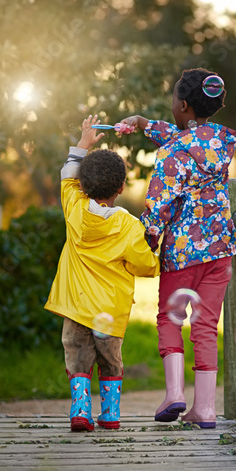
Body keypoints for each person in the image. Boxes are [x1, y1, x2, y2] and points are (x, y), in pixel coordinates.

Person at [122, 68, 236, 428]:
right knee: (206, 324)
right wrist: (145, 123)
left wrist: (149, 236)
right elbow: (185, 137)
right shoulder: (220, 143)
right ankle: (204, 410)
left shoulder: (172, 153)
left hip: (183, 251)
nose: (171, 104)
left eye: (174, 98)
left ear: (184, 105)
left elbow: (159, 202)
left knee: (170, 317)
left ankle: (174, 394)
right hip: (220, 248)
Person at [45, 115, 159, 432]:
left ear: (82, 186)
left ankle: (80, 411)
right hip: (111, 309)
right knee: (110, 360)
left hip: (76, 306)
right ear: (121, 188)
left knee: (77, 358)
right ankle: (110, 415)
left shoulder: (75, 209)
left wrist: (83, 143)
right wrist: (153, 248)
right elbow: (146, 266)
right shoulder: (128, 225)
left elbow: (67, 177)